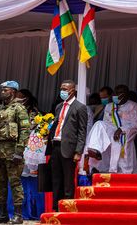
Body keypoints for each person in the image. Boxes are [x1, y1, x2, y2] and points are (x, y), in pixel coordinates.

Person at [0, 81, 30, 224]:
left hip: (12, 153)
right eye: (2, 90)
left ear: (13, 92)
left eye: (6, 90)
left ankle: (18, 215)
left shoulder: (19, 108)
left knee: (15, 183)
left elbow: (25, 130)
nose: (3, 92)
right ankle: (3, 214)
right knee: (0, 183)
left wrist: (19, 151)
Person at [45, 80, 88, 211]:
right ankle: (56, 208)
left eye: (65, 89)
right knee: (56, 180)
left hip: (69, 148)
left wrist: (78, 151)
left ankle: (67, 209)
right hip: (56, 146)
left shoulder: (80, 107)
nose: (62, 91)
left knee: (68, 181)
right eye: (61, 89)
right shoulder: (59, 106)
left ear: (72, 91)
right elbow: (57, 124)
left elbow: (82, 131)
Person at [86, 85, 137, 173]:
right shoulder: (109, 106)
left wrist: (121, 129)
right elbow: (106, 123)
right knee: (99, 124)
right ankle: (94, 150)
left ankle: (116, 171)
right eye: (115, 93)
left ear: (126, 94)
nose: (116, 95)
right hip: (111, 130)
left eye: (120, 93)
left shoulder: (133, 106)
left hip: (125, 133)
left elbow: (136, 124)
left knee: (117, 140)